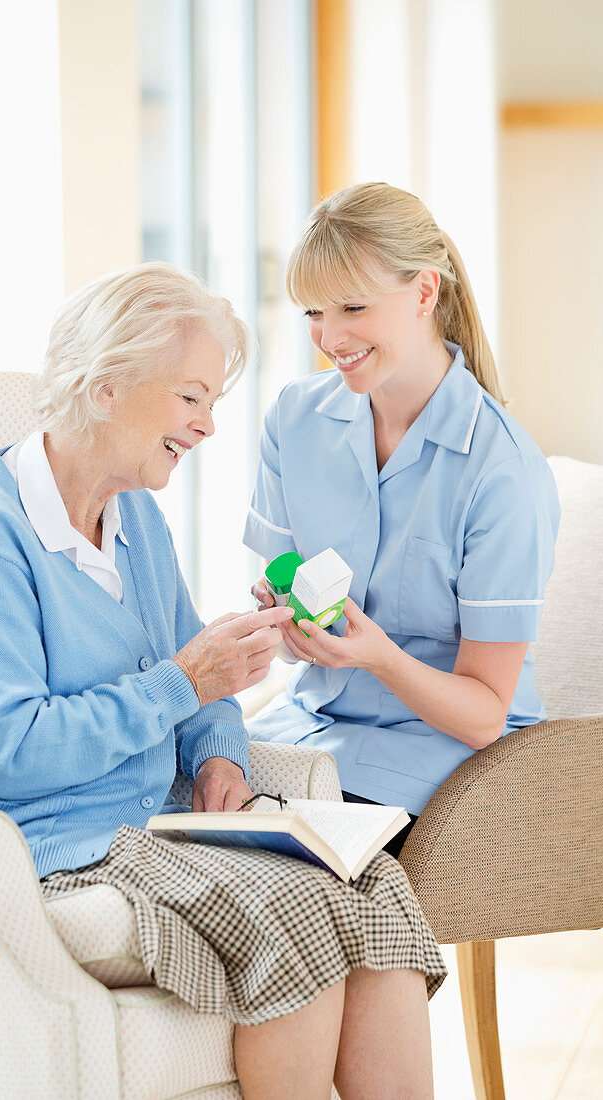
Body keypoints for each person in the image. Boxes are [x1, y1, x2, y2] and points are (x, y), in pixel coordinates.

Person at [0, 262, 445, 1099]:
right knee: (289, 911)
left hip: (150, 825)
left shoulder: (132, 515)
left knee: (372, 883)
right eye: (190, 398)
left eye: (210, 401)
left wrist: (220, 760)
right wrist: (184, 683)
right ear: (106, 387)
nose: (208, 425)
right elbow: (5, 750)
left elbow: (190, 676)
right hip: (45, 841)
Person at [245, 182, 561, 855]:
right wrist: (283, 624)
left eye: (353, 307)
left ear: (423, 293)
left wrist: (376, 656)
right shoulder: (293, 422)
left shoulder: (499, 468)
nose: (329, 338)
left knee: (278, 864)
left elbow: (482, 715)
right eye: (312, 313)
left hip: (437, 759)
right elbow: (276, 610)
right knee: (164, 808)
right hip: (307, 728)